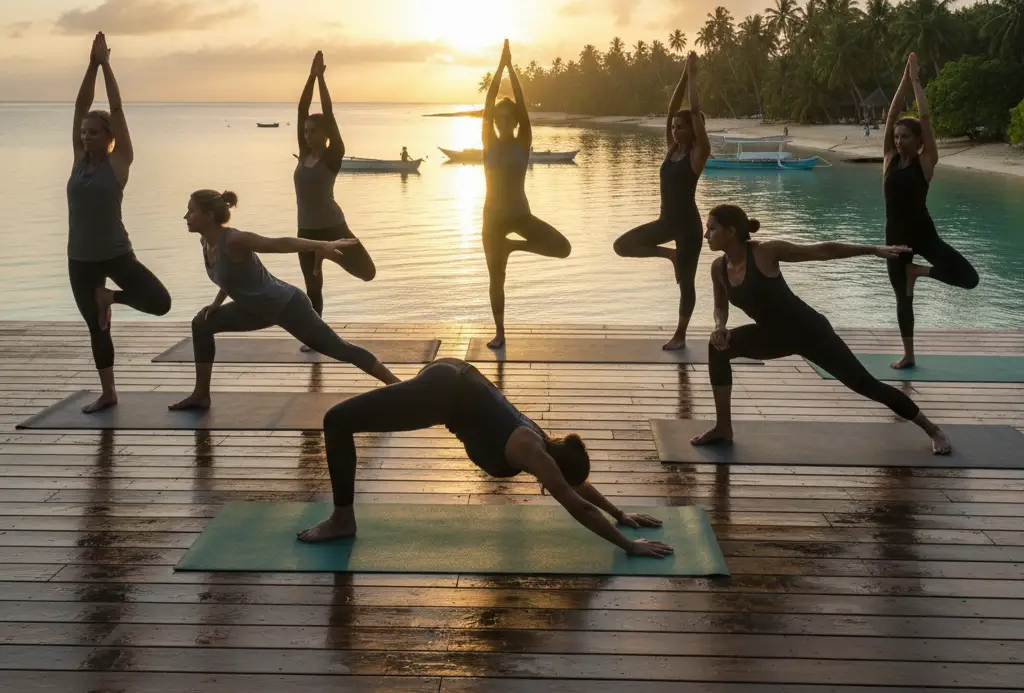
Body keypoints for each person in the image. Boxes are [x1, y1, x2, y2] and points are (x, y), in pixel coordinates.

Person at [296, 357, 674, 557]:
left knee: (350, 419)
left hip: (450, 379)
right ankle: (342, 518)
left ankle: (344, 514)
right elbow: (578, 504)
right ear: (555, 467)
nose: (553, 486)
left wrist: (620, 514)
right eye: (556, 481)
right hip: (443, 390)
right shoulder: (531, 449)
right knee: (337, 421)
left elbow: (579, 489)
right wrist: (629, 546)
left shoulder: (543, 440)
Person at [693, 204, 951, 455]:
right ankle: (723, 428)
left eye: (712, 229)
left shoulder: (764, 252)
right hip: (772, 335)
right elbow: (720, 307)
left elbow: (821, 251)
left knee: (865, 384)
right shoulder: (718, 268)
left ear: (731, 231)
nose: (706, 235)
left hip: (811, 332)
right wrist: (720, 327)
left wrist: (871, 249)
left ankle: (932, 429)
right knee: (717, 347)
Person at [176, 189, 398, 410]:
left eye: (191, 211)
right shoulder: (206, 243)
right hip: (253, 310)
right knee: (202, 324)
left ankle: (395, 384)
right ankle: (201, 394)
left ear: (208, 216)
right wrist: (217, 304)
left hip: (288, 305)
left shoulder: (235, 240)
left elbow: (280, 243)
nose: (186, 216)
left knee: (339, 349)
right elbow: (231, 276)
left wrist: (320, 245)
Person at [68, 33, 171, 413]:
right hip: (79, 258)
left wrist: (108, 65)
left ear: (109, 137)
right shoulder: (80, 160)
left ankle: (109, 297)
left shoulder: (119, 162)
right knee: (97, 329)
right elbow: (81, 104)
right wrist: (91, 64)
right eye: (83, 132)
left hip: (115, 254)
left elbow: (117, 107)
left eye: (92, 132)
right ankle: (109, 392)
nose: (84, 136)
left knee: (160, 302)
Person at [883, 52, 979, 369]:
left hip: (924, 235)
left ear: (919, 140)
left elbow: (925, 119)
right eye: (896, 137)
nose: (898, 141)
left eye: (905, 137)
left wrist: (916, 82)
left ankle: (918, 272)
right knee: (903, 300)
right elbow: (892, 114)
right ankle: (909, 354)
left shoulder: (927, 163)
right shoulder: (889, 160)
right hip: (895, 239)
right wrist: (902, 79)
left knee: (969, 278)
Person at [614, 52, 711, 349]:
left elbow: (693, 111)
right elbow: (671, 110)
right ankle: (668, 255)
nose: (674, 130)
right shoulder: (672, 150)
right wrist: (682, 74)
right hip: (666, 222)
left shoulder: (698, 153)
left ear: (693, 129)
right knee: (622, 245)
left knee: (687, 283)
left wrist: (693, 78)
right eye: (673, 128)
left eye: (680, 127)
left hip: (688, 228)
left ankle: (680, 335)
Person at [482, 39, 571, 349]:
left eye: (509, 118)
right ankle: (500, 333)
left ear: (516, 121)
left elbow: (521, 104)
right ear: (494, 122)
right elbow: (489, 100)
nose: (503, 122)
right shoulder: (489, 142)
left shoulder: (523, 142)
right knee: (496, 279)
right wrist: (500, 67)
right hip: (492, 219)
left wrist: (512, 68)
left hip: (520, 215)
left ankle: (514, 247)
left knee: (563, 248)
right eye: (499, 119)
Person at [295, 51, 375, 347]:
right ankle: (315, 338)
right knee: (312, 288)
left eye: (312, 131)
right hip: (306, 232)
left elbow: (327, 112)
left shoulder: (332, 156)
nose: (306, 135)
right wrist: (310, 75)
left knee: (368, 273)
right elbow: (302, 107)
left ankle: (327, 252)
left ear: (325, 135)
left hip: (334, 229)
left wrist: (322, 79)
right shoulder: (304, 155)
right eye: (305, 131)